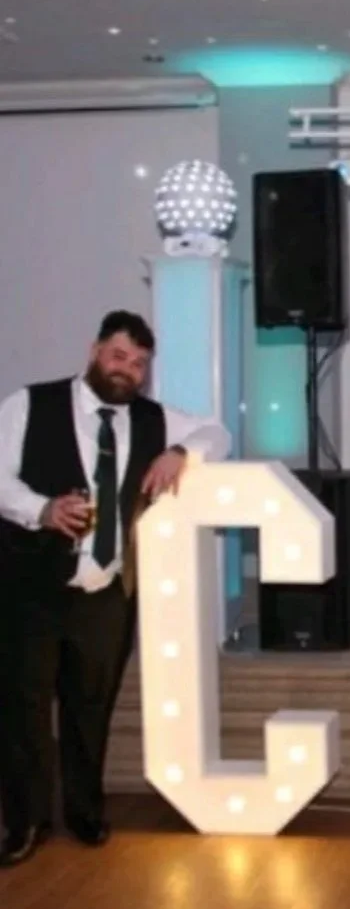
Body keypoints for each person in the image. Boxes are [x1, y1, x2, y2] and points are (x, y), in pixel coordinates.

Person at [0, 310, 232, 868]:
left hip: (104, 591)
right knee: (22, 710)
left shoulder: (154, 418)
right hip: (29, 585)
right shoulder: (30, 403)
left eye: (139, 363)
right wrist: (41, 508)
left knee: (90, 708)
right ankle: (25, 822)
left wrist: (182, 454)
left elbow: (217, 432)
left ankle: (84, 811)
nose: (127, 370)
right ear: (94, 350)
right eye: (119, 356)